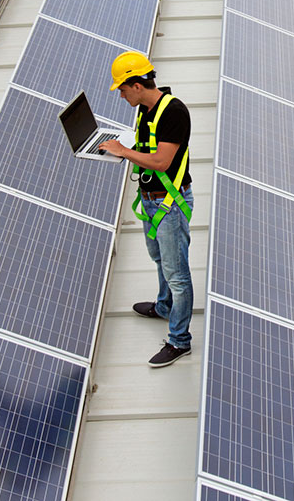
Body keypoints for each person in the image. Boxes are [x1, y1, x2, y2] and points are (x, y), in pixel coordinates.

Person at [99, 51, 194, 368]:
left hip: (169, 204)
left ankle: (179, 341)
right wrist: (116, 147)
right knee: (159, 259)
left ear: (137, 84)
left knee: (177, 274)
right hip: (152, 199)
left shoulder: (173, 112)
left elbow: (161, 161)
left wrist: (122, 151)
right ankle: (164, 307)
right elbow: (146, 145)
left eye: (123, 89)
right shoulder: (146, 109)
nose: (122, 95)